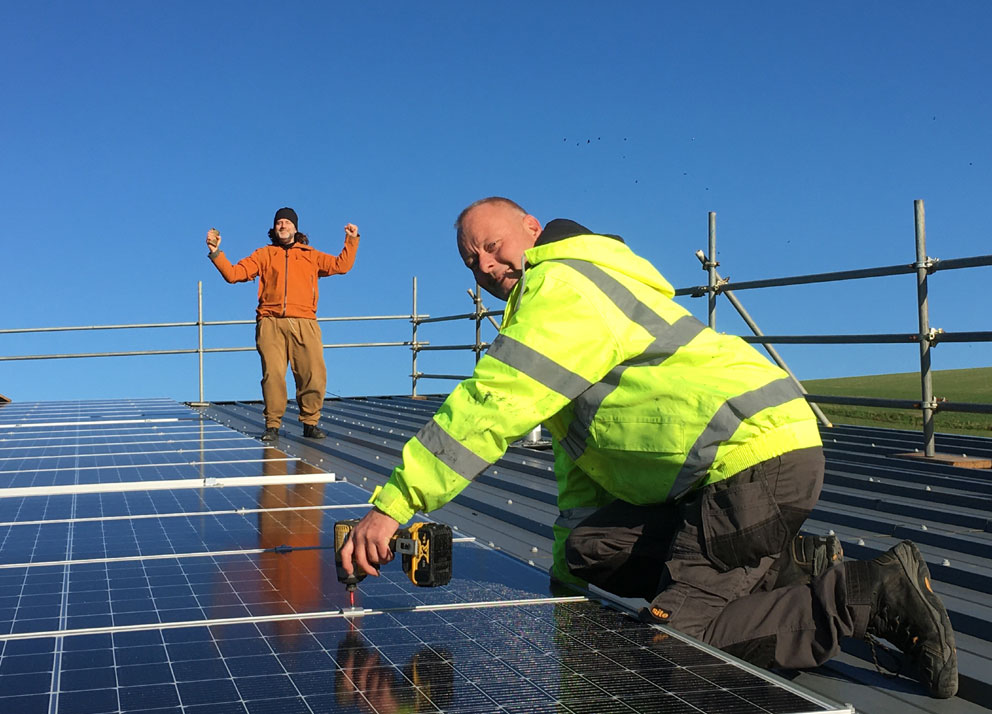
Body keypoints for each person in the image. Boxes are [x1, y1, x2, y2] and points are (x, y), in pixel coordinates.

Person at [339, 197, 957, 698]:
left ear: (532, 227)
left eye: (492, 245)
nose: (484, 265)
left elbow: (494, 403)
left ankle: (866, 595)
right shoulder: (573, 296)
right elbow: (581, 474)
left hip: (749, 460)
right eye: (471, 262)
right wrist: (565, 594)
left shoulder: (562, 289)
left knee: (668, 655)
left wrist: (395, 503)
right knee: (586, 550)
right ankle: (797, 565)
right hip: (732, 471)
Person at [206, 207, 359, 441]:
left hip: (305, 322)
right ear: (274, 228)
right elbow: (234, 274)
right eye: (279, 222)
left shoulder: (310, 255)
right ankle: (273, 425)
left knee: (313, 374)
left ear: (295, 228)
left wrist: (351, 239)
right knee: (273, 376)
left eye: (287, 222)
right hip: (270, 323)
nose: (283, 226)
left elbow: (342, 265)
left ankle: (310, 423)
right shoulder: (264, 254)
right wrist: (217, 253)